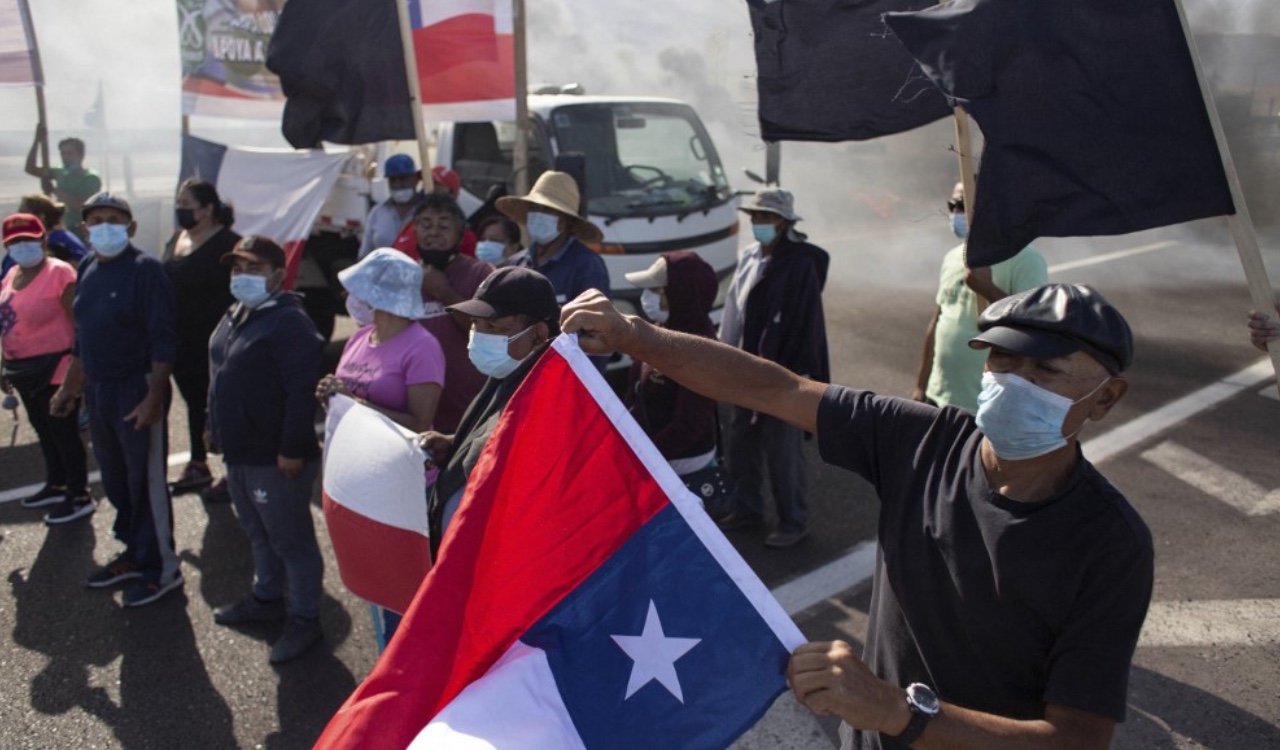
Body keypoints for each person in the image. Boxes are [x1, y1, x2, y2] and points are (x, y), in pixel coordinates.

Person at [562, 282, 1152, 750]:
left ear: (1106, 397)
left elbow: (1077, 739)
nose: (1012, 383)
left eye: (1045, 372)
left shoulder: (1110, 544)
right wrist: (638, 338)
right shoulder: (924, 440)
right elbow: (776, 389)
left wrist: (900, 713)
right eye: (1001, 360)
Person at [49, 192, 183, 608]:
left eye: (114, 219)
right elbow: (82, 339)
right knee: (116, 480)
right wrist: (70, 388)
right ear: (84, 229)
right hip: (100, 390)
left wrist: (153, 396)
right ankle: (134, 551)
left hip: (136, 387)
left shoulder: (145, 270)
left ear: (131, 227)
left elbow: (164, 338)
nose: (104, 226)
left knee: (145, 482)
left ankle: (162, 568)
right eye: (96, 220)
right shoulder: (87, 266)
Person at [316, 248, 446, 652]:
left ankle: (405, 674)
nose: (353, 296)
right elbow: (349, 396)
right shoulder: (359, 337)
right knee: (375, 586)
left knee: (402, 596)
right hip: (365, 485)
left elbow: (420, 423)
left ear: (379, 292)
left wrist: (353, 404)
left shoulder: (421, 346)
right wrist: (331, 396)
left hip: (404, 487)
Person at [207, 236, 327, 664]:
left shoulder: (288, 322)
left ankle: (304, 619)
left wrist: (292, 449)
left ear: (278, 276)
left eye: (253, 269)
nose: (242, 277)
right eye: (237, 268)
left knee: (291, 541)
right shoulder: (237, 313)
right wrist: (212, 425)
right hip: (240, 452)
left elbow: (301, 393)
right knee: (258, 534)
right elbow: (219, 369)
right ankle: (266, 598)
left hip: (276, 457)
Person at [716, 187, 829, 548]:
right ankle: (747, 507)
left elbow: (807, 323)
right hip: (744, 367)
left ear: (782, 222)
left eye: (764, 217)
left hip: (783, 371)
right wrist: (721, 354)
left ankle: (793, 521)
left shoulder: (799, 265)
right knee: (741, 444)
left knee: (783, 450)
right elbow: (735, 311)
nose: (757, 223)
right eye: (755, 216)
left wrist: (801, 376)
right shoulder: (750, 257)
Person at [421, 266, 560, 558]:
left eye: (494, 328)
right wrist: (456, 445)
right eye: (475, 324)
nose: (479, 336)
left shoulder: (551, 399)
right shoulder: (508, 374)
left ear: (538, 333)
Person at [912, 181, 1048, 413]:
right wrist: (920, 386)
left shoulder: (1025, 259)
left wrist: (986, 289)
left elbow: (1033, 330)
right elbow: (937, 322)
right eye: (952, 204)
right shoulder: (953, 257)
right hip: (938, 398)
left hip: (986, 406)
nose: (955, 212)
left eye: (963, 204)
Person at [0, 214, 93, 524]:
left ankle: (79, 494)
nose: (21, 246)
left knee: (63, 430)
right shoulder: (12, 273)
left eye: (28, 239)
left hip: (58, 365)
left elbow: (81, 322)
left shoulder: (60, 273)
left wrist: (78, 372)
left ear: (43, 240)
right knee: (42, 428)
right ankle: (57, 483)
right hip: (23, 368)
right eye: (13, 242)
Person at [163, 178, 240, 495]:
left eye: (187, 206)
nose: (181, 211)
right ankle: (198, 464)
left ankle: (234, 471)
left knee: (224, 406)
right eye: (178, 205)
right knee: (195, 404)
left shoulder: (229, 244)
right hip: (183, 343)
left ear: (208, 209)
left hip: (217, 344)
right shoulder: (178, 239)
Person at [399, 194, 495, 434]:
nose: (433, 233)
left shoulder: (480, 273)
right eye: (426, 224)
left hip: (467, 422)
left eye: (443, 226)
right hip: (414, 419)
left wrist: (444, 292)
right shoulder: (404, 276)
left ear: (460, 235)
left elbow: (489, 332)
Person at [622, 252, 719, 480]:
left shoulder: (700, 348)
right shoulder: (661, 329)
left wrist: (646, 457)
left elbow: (688, 424)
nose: (647, 297)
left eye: (656, 291)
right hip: (653, 458)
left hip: (680, 468)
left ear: (680, 293)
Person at [498, 170, 609, 307]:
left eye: (547, 210)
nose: (539, 215)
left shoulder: (586, 266)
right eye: (534, 208)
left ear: (567, 220)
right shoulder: (515, 264)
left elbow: (596, 321)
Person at [24, 125, 102, 234]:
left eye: (70, 153)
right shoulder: (59, 172)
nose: (65, 157)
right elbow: (30, 169)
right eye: (63, 153)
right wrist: (37, 141)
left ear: (80, 155)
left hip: (82, 229)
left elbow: (80, 205)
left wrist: (54, 190)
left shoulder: (90, 178)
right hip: (62, 226)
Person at [2, 194, 89, 278]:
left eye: (23, 213)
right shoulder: (19, 241)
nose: (18, 217)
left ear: (41, 217)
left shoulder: (61, 242)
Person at [358, 154, 423, 260]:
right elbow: (364, 254)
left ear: (415, 179)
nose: (398, 184)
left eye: (403, 179)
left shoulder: (425, 213)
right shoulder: (377, 213)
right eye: (393, 180)